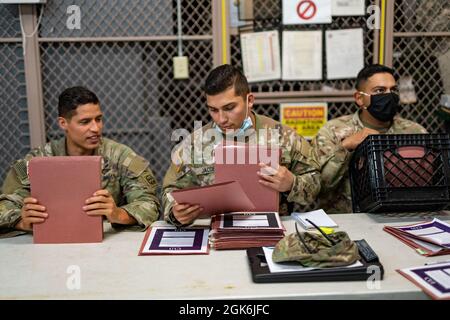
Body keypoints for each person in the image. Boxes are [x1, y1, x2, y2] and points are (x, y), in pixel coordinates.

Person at [162, 64, 321, 226]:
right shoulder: (194, 144)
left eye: (229, 108)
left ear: (249, 100)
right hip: (215, 232)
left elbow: (316, 184)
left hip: (273, 231)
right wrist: (175, 213)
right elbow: (169, 191)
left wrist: (291, 183)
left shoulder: (284, 137)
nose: (221, 119)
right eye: (213, 110)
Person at [0, 86, 160, 237]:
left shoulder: (120, 156)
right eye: (85, 122)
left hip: (106, 243)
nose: (96, 128)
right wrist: (21, 221)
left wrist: (118, 214)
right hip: (52, 242)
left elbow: (150, 203)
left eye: (98, 119)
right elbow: (4, 204)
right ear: (63, 123)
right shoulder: (38, 161)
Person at [311, 64, 428, 213]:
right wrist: (345, 147)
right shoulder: (332, 132)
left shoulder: (415, 132)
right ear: (360, 98)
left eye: (393, 90)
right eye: (379, 90)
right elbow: (318, 187)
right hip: (346, 223)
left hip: (401, 219)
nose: (388, 95)